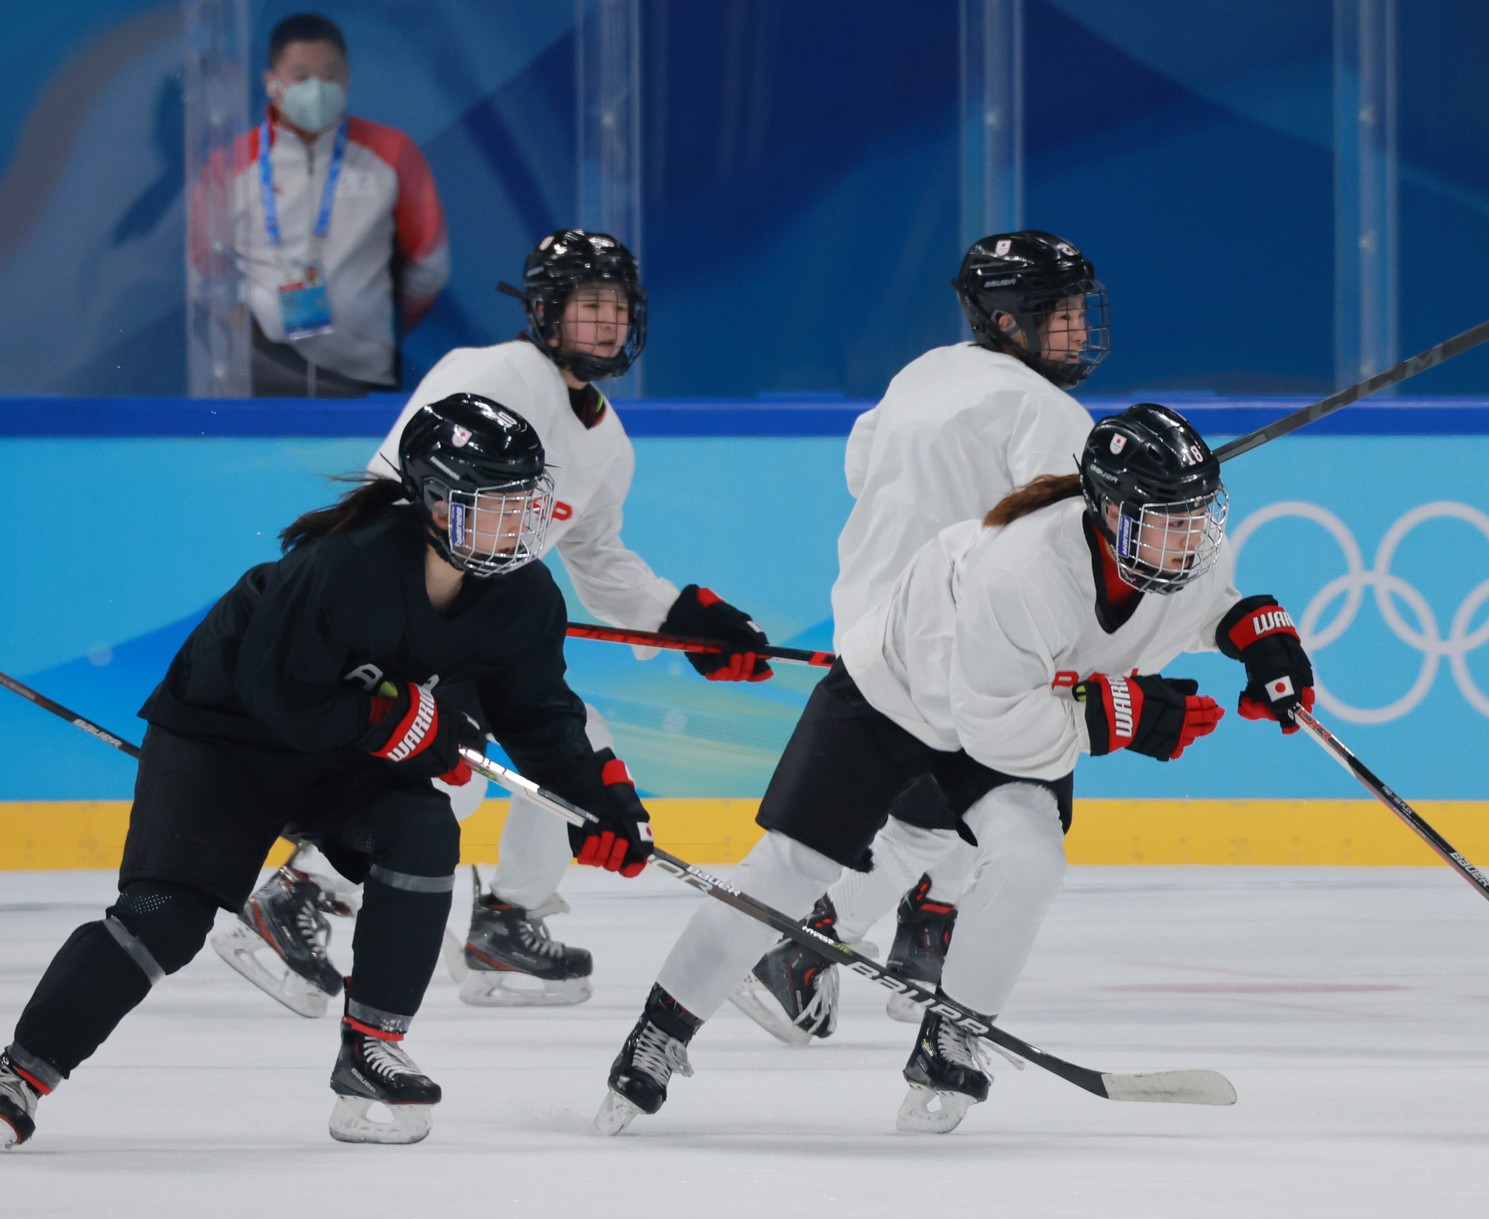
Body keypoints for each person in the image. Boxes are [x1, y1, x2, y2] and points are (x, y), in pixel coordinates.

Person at [597, 404, 1316, 1136]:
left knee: (1032, 860)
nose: (1190, 538)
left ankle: (952, 1037)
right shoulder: (1023, 571)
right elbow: (994, 729)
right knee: (790, 867)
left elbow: (1199, 607)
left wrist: (1255, 633)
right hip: (897, 693)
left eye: (1198, 516)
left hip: (1007, 706)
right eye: (1170, 519)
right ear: (1108, 514)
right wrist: (1115, 718)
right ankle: (659, 1033)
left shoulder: (1175, 550)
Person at [0, 394, 657, 1149]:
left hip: (339, 756)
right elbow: (276, 693)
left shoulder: (523, 598)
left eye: (525, 504)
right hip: (225, 740)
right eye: (494, 504)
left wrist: (601, 803)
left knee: (421, 829)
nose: (518, 525)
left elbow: (539, 713)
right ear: (437, 501)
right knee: (165, 921)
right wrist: (393, 720)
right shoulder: (347, 565)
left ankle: (369, 1047)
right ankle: (21, 1072)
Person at [211, 229, 774, 1014]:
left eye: (619, 307)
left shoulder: (607, 439)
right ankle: (300, 895)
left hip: (474, 629)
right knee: (456, 774)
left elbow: (599, 560)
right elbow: (401, 495)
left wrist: (684, 620)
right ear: (543, 311)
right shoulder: (491, 375)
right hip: (409, 623)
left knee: (582, 741)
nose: (608, 324)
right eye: (589, 307)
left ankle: (508, 919)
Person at [729, 230, 1109, 1047]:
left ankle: (922, 937)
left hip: (872, 629)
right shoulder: (1049, 412)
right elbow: (1064, 545)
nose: (1079, 328)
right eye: (1063, 313)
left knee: (954, 807)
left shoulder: (924, 372)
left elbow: (862, 472)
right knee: (984, 799)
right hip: (951, 644)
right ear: (1010, 322)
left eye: (1080, 310)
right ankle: (804, 945)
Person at [205, 13, 450, 396]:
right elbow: (207, 269)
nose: (316, 89)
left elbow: (429, 265)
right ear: (271, 83)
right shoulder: (229, 164)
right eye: (301, 76)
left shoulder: (393, 153)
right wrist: (246, 331)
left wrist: (374, 321)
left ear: (348, 78)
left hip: (364, 369)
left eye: (330, 74)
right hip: (261, 370)